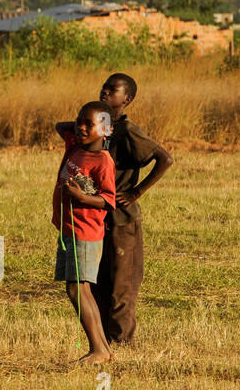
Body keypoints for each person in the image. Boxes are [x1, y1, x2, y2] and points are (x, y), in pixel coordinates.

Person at [94, 73, 174, 345]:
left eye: (112, 89)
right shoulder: (100, 126)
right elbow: (61, 127)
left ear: (126, 99)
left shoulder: (127, 131)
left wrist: (137, 191)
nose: (104, 92)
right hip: (97, 217)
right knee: (99, 284)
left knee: (121, 288)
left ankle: (122, 344)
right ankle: (104, 341)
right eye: (104, 87)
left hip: (121, 220)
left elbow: (165, 159)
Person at [52, 101, 117, 364]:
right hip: (70, 229)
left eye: (88, 124)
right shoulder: (75, 147)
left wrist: (80, 196)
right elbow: (61, 126)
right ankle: (102, 349)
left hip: (85, 233)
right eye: (78, 121)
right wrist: (87, 127)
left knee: (77, 290)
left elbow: (107, 201)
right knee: (80, 290)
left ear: (106, 130)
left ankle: (98, 350)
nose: (80, 127)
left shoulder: (103, 161)